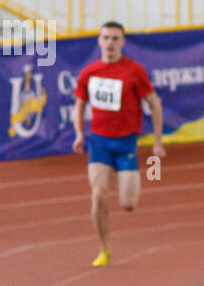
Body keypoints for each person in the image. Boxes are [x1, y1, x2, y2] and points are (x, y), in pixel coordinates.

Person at [70, 21, 165, 267]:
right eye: (106, 38)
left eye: (115, 38)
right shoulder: (89, 73)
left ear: (123, 42)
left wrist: (157, 141)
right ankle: (105, 249)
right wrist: (79, 134)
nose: (110, 43)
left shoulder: (135, 71)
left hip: (126, 144)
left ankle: (128, 187)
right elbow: (79, 106)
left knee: (128, 204)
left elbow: (154, 103)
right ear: (99, 41)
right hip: (99, 142)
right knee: (99, 196)